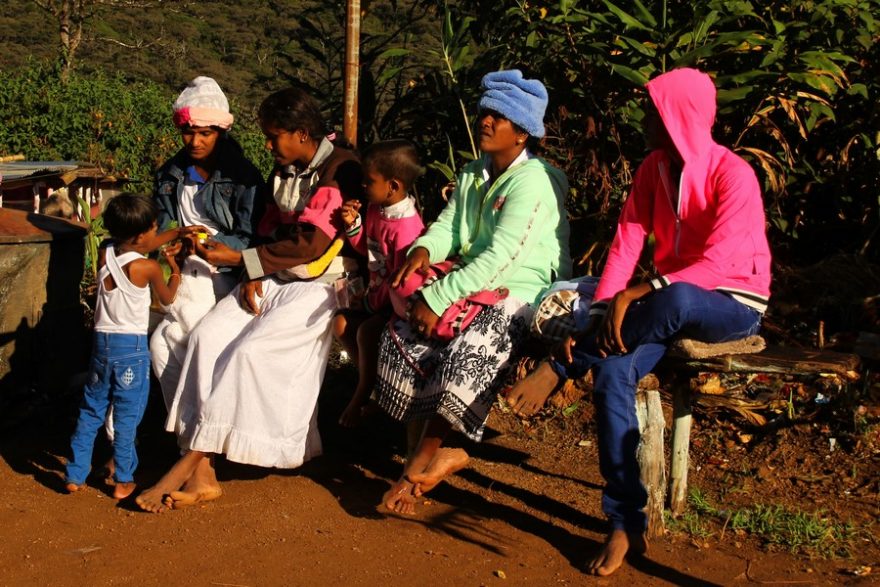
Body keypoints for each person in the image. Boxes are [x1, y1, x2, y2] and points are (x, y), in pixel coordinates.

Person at [506, 67, 772, 576]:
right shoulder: (654, 167)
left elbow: (717, 265)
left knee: (677, 301)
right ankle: (626, 521)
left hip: (730, 304)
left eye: (653, 110)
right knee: (611, 374)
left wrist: (642, 291)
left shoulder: (732, 172)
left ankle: (561, 367)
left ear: (679, 117)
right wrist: (606, 307)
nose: (645, 118)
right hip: (666, 304)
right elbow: (628, 240)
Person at [135, 87, 363, 513]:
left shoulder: (339, 170)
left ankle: (190, 463)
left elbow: (313, 244)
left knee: (250, 354)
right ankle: (200, 460)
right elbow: (269, 225)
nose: (268, 144)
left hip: (318, 283)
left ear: (301, 133)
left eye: (274, 135)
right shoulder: (285, 167)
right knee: (206, 338)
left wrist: (246, 259)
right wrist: (252, 270)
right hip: (271, 273)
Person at [375, 69, 572, 514]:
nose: (485, 121)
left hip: (523, 288)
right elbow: (451, 226)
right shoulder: (473, 172)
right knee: (404, 335)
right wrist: (426, 248)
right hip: (470, 280)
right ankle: (428, 452)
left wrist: (438, 296)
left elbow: (503, 257)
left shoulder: (535, 183)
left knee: (470, 351)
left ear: (522, 134)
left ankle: (414, 470)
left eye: (498, 117)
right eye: (485, 112)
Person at [150, 76, 264, 404]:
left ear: (220, 132)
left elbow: (250, 236)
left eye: (205, 133)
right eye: (189, 132)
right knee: (160, 346)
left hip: (229, 275)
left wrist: (210, 243)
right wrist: (173, 243)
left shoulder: (243, 176)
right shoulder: (170, 174)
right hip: (185, 275)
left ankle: (207, 429)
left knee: (203, 343)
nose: (195, 141)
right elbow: (161, 224)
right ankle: (188, 430)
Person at [65, 193, 187, 499]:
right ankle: (123, 479)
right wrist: (175, 268)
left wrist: (178, 232)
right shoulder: (148, 268)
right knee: (127, 416)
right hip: (130, 350)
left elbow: (141, 244)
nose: (158, 232)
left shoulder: (106, 251)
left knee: (91, 411)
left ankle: (75, 474)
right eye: (155, 228)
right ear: (142, 233)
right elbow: (168, 299)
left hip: (101, 346)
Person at [333, 140, 425, 427]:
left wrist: (373, 301)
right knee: (340, 324)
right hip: (376, 297)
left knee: (366, 333)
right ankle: (374, 386)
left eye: (368, 181)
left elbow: (400, 278)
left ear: (393, 186)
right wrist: (353, 225)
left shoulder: (407, 228)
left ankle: (361, 396)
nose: (362, 186)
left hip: (395, 304)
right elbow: (368, 251)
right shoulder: (377, 208)